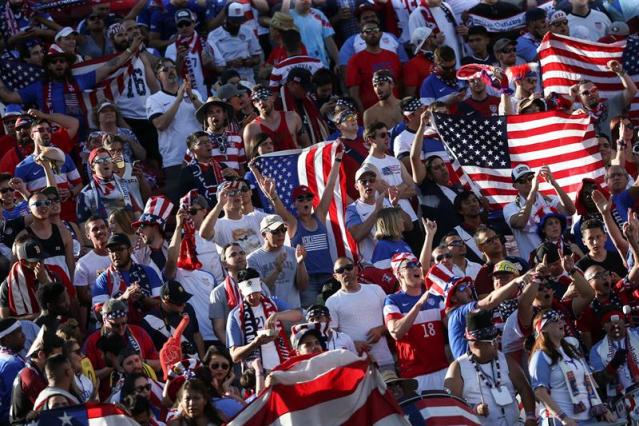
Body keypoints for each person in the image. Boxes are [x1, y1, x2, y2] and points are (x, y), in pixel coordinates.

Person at [257, 147, 341, 306]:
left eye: (308, 198)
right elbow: (279, 209)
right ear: (295, 204)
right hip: (306, 280)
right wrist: (273, 195)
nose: (305, 202)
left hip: (328, 277)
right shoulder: (294, 223)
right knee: (310, 315)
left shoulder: (320, 216)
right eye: (301, 199)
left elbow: (330, 187)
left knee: (333, 313)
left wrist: (337, 161)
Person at [445, 309, 537, 426]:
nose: (496, 344)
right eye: (491, 341)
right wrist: (475, 409)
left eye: (496, 338)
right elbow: (451, 406)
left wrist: (530, 417)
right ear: (475, 343)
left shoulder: (505, 360)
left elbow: (524, 388)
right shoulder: (458, 368)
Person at [529, 309, 616, 425]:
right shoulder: (541, 356)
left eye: (561, 318)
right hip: (563, 421)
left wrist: (602, 408)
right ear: (542, 328)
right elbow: (540, 392)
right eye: (554, 320)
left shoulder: (572, 351)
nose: (561, 322)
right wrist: (563, 418)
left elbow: (590, 382)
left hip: (589, 419)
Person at [384, 250, 449, 391]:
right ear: (398, 274)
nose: (415, 267)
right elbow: (396, 332)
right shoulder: (392, 300)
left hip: (443, 369)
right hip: (416, 375)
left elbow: (450, 325)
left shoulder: (435, 296)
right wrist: (419, 304)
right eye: (409, 265)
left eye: (416, 264)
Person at [146, 58, 203, 204]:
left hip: (200, 158)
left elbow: (206, 118)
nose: (170, 70)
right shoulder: (154, 100)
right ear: (158, 76)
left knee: (205, 202)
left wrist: (191, 96)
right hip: (175, 161)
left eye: (172, 67)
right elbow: (160, 124)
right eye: (165, 69)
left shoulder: (193, 92)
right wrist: (178, 99)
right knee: (182, 207)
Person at [226, 268, 303, 371]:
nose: (253, 297)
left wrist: (277, 315)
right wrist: (255, 343)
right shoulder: (235, 315)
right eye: (249, 294)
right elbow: (234, 356)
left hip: (283, 365)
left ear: (261, 287)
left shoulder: (273, 302)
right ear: (241, 291)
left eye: (255, 292)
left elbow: (298, 315)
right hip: (256, 373)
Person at [83, 299, 159, 401]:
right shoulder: (93, 341)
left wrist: (139, 362)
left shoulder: (139, 332)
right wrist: (115, 365)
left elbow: (158, 365)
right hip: (110, 399)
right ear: (104, 320)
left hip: (144, 392)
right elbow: (88, 378)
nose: (121, 328)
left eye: (124, 323)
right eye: (115, 325)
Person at [326, 257, 393, 369]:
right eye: (340, 270)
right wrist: (351, 344)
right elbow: (332, 336)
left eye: (348, 267)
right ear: (335, 277)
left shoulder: (376, 290)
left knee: (391, 387)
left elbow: (394, 321)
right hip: (356, 364)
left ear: (356, 270)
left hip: (384, 359)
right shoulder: (332, 301)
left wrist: (381, 330)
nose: (346, 272)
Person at [503, 164, 576, 261]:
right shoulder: (511, 207)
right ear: (515, 186)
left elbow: (570, 210)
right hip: (534, 266)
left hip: (560, 262)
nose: (528, 182)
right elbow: (520, 223)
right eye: (522, 180)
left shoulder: (548, 199)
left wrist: (553, 183)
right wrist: (533, 191)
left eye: (530, 178)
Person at [92, 233, 162, 324]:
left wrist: (142, 297)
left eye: (119, 249)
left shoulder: (148, 271)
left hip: (152, 327)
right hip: (121, 331)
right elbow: (98, 313)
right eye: (111, 250)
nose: (115, 254)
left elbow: (162, 305)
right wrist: (123, 298)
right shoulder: (103, 279)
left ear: (130, 250)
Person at [247, 215, 309, 308]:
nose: (281, 234)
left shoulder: (294, 252)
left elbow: (303, 287)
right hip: (270, 314)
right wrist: (277, 270)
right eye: (275, 231)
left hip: (294, 313)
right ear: (264, 234)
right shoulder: (253, 259)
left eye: (283, 230)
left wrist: (300, 264)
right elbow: (257, 292)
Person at [165, 9, 223, 100]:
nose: (184, 27)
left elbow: (222, 67)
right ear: (177, 27)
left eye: (187, 24)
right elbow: (170, 78)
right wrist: (179, 60)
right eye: (180, 25)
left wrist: (211, 66)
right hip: (187, 97)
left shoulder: (207, 42)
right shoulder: (172, 48)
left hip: (210, 94)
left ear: (194, 23)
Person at [10, 330, 64, 424]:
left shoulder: (37, 371)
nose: (59, 362)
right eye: (55, 357)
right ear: (41, 355)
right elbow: (50, 405)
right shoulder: (30, 377)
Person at [76, 148, 142, 224]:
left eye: (108, 159)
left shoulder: (123, 184)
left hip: (129, 230)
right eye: (100, 161)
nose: (105, 162)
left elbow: (136, 212)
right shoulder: (85, 194)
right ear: (92, 167)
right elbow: (83, 225)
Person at [142, 280, 205, 359]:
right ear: (166, 301)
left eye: (184, 300)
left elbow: (197, 335)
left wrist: (203, 359)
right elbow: (151, 353)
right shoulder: (149, 321)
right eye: (179, 303)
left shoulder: (188, 308)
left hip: (194, 360)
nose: (184, 304)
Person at [345, 22, 401, 112]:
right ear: (362, 36)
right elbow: (354, 94)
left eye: (375, 30)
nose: (372, 33)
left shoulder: (393, 56)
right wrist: (364, 116)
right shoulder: (354, 61)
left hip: (397, 110)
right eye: (368, 31)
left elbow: (400, 85)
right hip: (373, 113)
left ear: (380, 34)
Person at [574, 63, 637, 139]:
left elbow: (632, 91)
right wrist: (571, 98)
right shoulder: (577, 114)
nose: (590, 94)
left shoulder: (612, 105)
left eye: (593, 90)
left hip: (615, 149)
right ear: (579, 97)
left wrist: (621, 72)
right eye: (585, 93)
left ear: (598, 91)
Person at [207, 3, 262, 83]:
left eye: (239, 21)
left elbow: (257, 58)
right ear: (226, 18)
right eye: (234, 21)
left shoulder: (248, 31)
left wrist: (250, 61)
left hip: (247, 79)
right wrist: (230, 64)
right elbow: (211, 66)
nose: (237, 24)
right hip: (226, 80)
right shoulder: (214, 36)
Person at [243, 85, 305, 154]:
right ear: (254, 104)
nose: (261, 102)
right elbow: (251, 159)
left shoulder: (292, 117)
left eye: (264, 97)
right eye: (257, 100)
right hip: (270, 164)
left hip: (294, 162)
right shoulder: (251, 129)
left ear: (273, 98)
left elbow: (307, 145)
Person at [196, 97, 246, 174]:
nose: (215, 114)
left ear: (224, 115)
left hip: (235, 184)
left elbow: (242, 168)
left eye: (218, 111)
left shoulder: (237, 139)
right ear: (206, 117)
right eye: (211, 112)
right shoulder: (198, 141)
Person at [286, 0, 339, 69]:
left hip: (321, 65)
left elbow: (329, 41)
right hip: (299, 66)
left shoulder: (319, 14)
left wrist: (338, 62)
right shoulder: (287, 17)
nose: (306, 1)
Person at [177, 131, 225, 205]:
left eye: (208, 141)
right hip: (202, 213)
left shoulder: (222, 167)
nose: (207, 144)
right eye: (201, 143)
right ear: (193, 150)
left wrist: (235, 176)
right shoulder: (187, 172)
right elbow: (185, 199)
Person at [0, 318, 25, 424]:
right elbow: (15, 400)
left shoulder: (4, 357)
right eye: (19, 332)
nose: (23, 336)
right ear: (6, 339)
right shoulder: (11, 364)